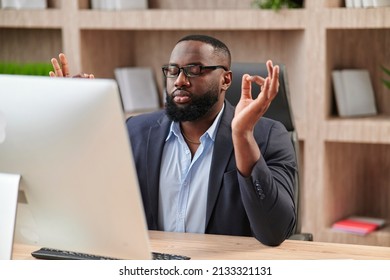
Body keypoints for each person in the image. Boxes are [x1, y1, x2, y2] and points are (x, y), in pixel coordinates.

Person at [49, 34, 296, 246]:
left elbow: (274, 232)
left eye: (195, 70)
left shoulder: (267, 136)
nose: (179, 81)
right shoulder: (135, 132)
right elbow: (91, 202)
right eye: (173, 71)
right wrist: (77, 123)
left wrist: (242, 136)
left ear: (226, 80)